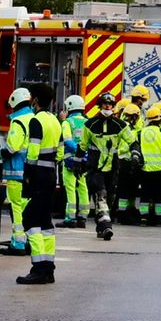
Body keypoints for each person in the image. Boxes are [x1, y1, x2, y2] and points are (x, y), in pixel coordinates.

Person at [17, 86, 64, 284]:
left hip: (38, 176)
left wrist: (27, 175)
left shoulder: (36, 120)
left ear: (35, 100)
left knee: (30, 220)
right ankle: (48, 268)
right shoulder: (55, 121)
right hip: (51, 174)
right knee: (45, 222)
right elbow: (60, 152)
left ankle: (38, 268)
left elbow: (33, 151)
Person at [84, 91, 126, 241]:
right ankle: (107, 226)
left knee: (110, 199)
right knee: (101, 195)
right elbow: (82, 145)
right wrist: (78, 163)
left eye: (110, 104)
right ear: (100, 105)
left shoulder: (120, 125)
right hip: (96, 168)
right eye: (105, 103)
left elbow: (131, 140)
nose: (107, 106)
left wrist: (135, 152)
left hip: (113, 167)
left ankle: (100, 227)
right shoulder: (90, 124)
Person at [1, 87, 34, 255]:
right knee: (27, 207)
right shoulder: (34, 118)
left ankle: (18, 243)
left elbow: (12, 147)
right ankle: (29, 240)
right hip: (31, 171)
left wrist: (0, 153)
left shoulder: (18, 121)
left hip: (16, 170)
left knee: (16, 207)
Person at [138, 99, 161, 224]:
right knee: (159, 195)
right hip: (160, 169)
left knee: (145, 194)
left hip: (145, 169)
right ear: (159, 118)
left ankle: (143, 217)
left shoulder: (141, 132)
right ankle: (159, 218)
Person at [60, 93, 90, 228]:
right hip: (84, 160)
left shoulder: (67, 122)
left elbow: (67, 140)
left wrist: (77, 150)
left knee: (70, 188)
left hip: (70, 161)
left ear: (69, 107)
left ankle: (70, 218)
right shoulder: (87, 122)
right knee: (83, 187)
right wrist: (83, 153)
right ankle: (83, 216)